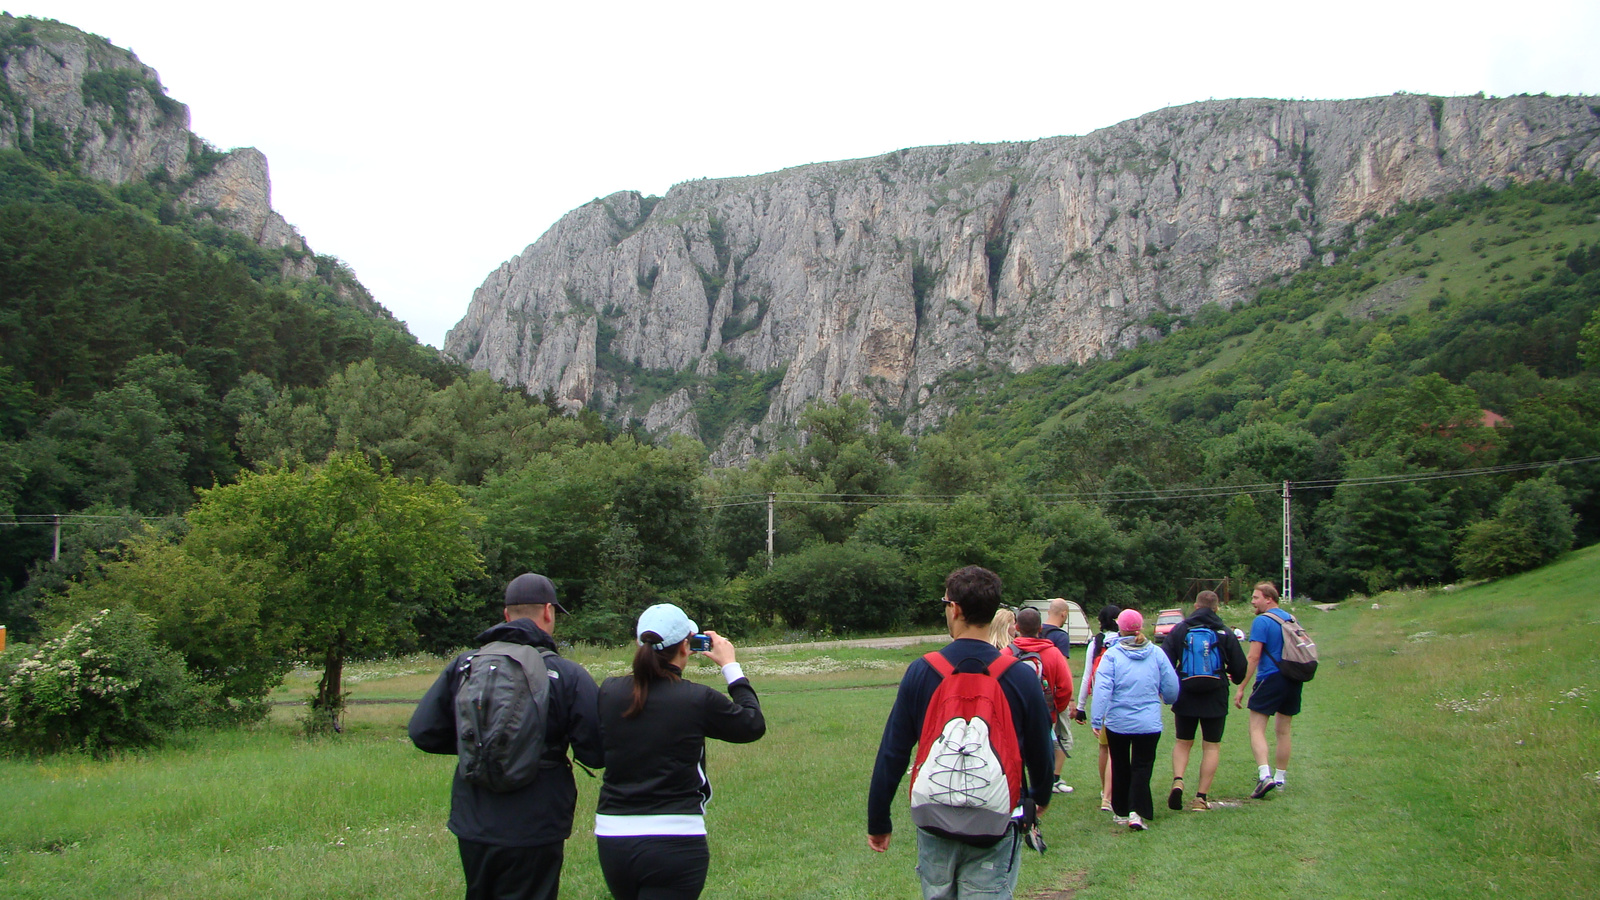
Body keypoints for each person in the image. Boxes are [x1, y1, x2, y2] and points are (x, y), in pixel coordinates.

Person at [409, 573, 605, 900]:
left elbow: (422, 732)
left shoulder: (465, 665)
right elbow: (597, 752)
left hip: (473, 818)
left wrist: (478, 746)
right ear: (547, 611)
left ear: (505, 615)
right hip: (537, 820)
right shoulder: (566, 674)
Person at [867, 566, 1054, 900]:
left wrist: (878, 820)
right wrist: (1039, 796)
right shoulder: (1020, 677)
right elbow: (1040, 748)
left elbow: (893, 752)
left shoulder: (922, 672)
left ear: (954, 608)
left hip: (936, 816)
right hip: (996, 819)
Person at [594, 603, 765, 900]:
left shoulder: (609, 691)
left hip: (614, 836)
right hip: (675, 838)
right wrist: (731, 667)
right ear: (686, 647)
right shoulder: (696, 699)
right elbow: (751, 725)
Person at [1090, 609, 1179, 831]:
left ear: (1119, 627)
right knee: (1142, 766)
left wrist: (1096, 718)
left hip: (1118, 722)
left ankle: (1121, 810)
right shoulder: (1156, 653)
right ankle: (1137, 811)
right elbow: (1171, 684)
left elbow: (1102, 688)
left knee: (1120, 765)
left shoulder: (1112, 655)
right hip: (1148, 722)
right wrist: (1169, 699)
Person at [1161, 590, 1246, 811]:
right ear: (1216, 608)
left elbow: (1165, 661)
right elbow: (1240, 668)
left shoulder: (1180, 629)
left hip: (1186, 692)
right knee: (1211, 746)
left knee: (1183, 742)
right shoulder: (1225, 632)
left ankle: (1178, 780)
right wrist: (1232, 677)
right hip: (1215, 694)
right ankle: (1200, 797)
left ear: (1196, 606)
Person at [1235, 581, 1302, 799]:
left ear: (1268, 599)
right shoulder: (1290, 618)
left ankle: (1265, 775)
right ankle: (1281, 778)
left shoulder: (1262, 621)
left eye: (1256, 597)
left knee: (1256, 728)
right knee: (1283, 731)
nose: (1252, 602)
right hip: (1292, 678)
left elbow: (1254, 656)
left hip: (1270, 678)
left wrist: (1241, 687)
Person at [1005, 607, 1075, 796]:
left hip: (1013, 716)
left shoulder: (1006, 654)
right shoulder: (1053, 654)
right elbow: (1066, 687)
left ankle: (1015, 788)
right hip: (1045, 715)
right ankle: (1043, 789)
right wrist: (1055, 709)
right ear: (1040, 628)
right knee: (1041, 755)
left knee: (1014, 753)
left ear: (1017, 627)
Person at [1072, 604, 1122, 811]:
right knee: (1120, 748)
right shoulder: (1123, 641)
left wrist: (1082, 706)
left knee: (1105, 747)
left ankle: (1105, 790)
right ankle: (1114, 791)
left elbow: (1086, 676)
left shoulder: (1097, 643)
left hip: (1103, 701)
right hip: (1122, 699)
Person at [1038, 599, 1077, 794]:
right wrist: (1069, 699)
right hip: (1055, 695)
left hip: (1037, 692)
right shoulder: (1060, 636)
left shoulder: (1038, 631)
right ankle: (1054, 778)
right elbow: (1063, 670)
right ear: (1063, 614)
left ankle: (1041, 775)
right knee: (1063, 737)